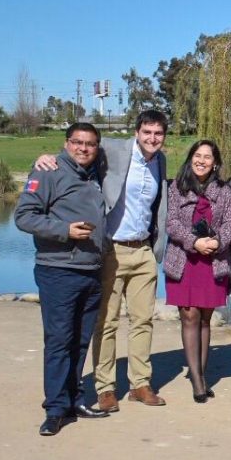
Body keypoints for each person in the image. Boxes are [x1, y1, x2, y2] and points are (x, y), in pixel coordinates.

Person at [37, 109, 170, 410]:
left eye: (158, 134)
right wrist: (47, 157)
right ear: (136, 132)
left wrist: (155, 245)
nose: (152, 139)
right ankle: (106, 387)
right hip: (112, 249)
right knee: (106, 322)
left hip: (143, 251)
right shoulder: (113, 148)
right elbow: (79, 149)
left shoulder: (160, 160)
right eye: (147, 132)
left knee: (142, 321)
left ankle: (140, 384)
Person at [15, 123, 110, 436]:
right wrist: (64, 230)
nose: (83, 148)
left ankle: (74, 400)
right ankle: (55, 409)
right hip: (59, 270)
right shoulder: (47, 171)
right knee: (59, 341)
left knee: (80, 341)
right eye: (77, 142)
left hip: (91, 271)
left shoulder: (94, 172)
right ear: (66, 143)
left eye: (90, 144)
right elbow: (24, 216)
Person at [164, 140, 231, 403]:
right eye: (198, 155)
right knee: (189, 316)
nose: (202, 161)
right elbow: (171, 222)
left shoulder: (224, 191)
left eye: (208, 157)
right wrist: (193, 241)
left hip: (212, 260)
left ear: (215, 162)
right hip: (184, 259)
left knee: (205, 317)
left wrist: (218, 241)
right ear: (191, 158)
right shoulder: (177, 187)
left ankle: (202, 374)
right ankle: (197, 381)